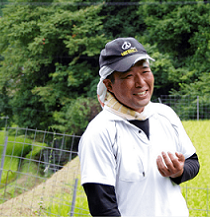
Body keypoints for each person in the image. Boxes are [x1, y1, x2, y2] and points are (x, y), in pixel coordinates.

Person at [79, 37, 201, 216]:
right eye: (128, 76)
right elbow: (103, 209)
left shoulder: (165, 115)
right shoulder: (100, 132)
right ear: (109, 85)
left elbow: (193, 162)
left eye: (145, 71)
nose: (141, 82)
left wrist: (179, 171)